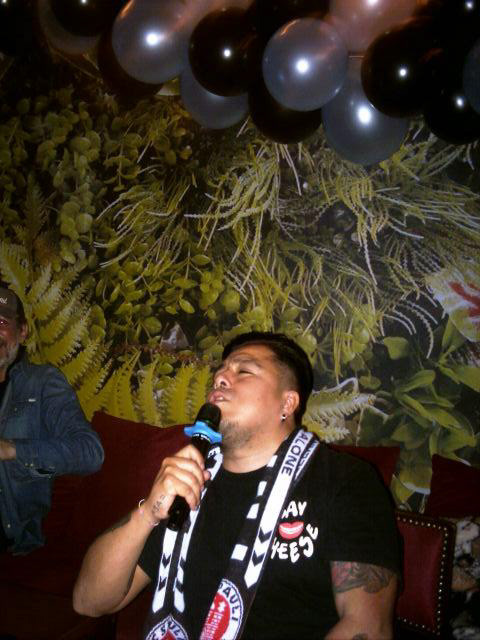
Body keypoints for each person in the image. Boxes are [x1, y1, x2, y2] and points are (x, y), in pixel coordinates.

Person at [73, 331, 400, 639]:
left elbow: (367, 626)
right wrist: (148, 513)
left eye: (244, 371)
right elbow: (89, 601)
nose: (220, 378)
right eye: (220, 373)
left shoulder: (344, 480)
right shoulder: (189, 481)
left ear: (287, 404)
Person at [0, 282, 104, 554]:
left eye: (2, 322)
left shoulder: (42, 382)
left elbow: (90, 452)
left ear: (22, 331)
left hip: (11, 542)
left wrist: (12, 450)